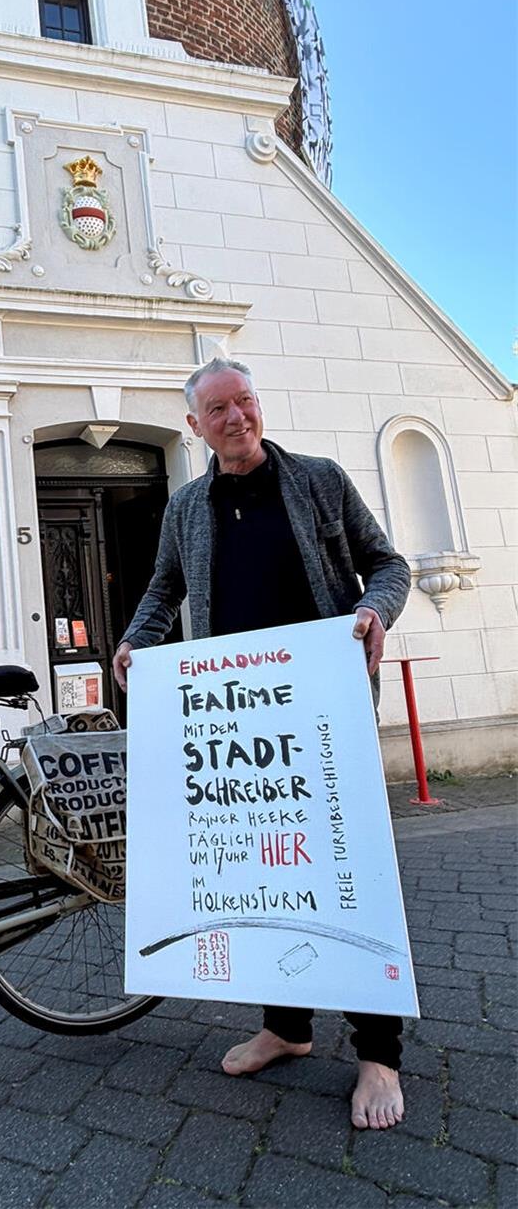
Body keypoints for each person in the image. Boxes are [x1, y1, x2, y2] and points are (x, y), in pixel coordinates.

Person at [112, 357, 412, 1130]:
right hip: (239, 723)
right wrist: (137, 640)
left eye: (244, 401)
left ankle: (378, 1051)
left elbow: (388, 564)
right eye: (218, 409)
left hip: (325, 712)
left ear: (258, 406)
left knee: (349, 871)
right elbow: (163, 589)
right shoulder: (185, 507)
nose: (236, 417)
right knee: (265, 870)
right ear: (195, 426)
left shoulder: (318, 478)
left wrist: (375, 612)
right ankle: (289, 1026)